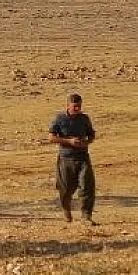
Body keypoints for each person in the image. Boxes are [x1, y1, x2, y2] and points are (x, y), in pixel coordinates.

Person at [48, 93, 97, 224]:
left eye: (79, 106)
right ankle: (66, 211)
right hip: (66, 158)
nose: (77, 109)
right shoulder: (59, 118)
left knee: (87, 186)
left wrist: (86, 142)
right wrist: (69, 141)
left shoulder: (84, 119)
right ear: (68, 105)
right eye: (74, 106)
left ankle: (86, 216)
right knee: (65, 189)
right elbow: (51, 137)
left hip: (83, 157)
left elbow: (91, 135)